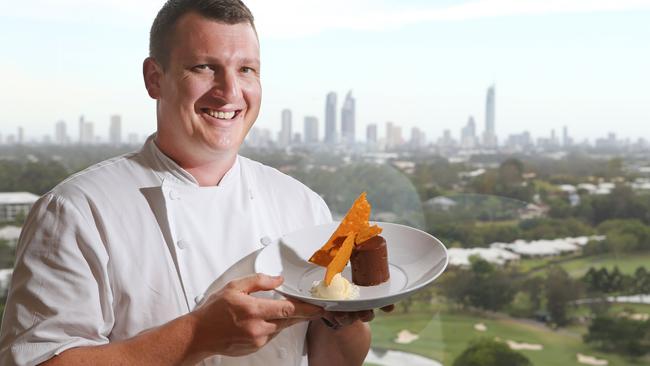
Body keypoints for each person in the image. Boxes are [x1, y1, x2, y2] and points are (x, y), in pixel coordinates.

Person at [0, 1, 389, 365]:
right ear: (155, 78)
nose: (230, 92)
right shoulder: (75, 210)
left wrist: (344, 314)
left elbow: (332, 359)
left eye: (246, 70)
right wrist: (197, 335)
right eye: (204, 67)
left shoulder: (302, 205)